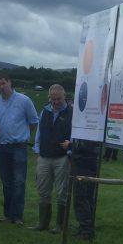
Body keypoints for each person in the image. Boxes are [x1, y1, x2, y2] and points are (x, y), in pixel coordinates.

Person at [0, 74, 38, 225]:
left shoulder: (24, 100)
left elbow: (33, 121)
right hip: (2, 146)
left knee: (18, 181)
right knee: (6, 182)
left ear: (10, 82)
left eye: (3, 83)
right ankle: (7, 214)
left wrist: (23, 134)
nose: (2, 87)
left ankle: (17, 216)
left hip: (19, 147)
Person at [32, 84, 72, 232]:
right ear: (49, 97)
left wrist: (70, 149)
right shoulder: (45, 111)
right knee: (43, 190)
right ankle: (43, 223)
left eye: (59, 99)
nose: (56, 102)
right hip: (44, 156)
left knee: (62, 191)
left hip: (62, 158)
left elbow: (75, 134)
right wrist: (37, 148)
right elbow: (39, 132)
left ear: (64, 96)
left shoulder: (72, 113)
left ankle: (60, 225)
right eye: (53, 99)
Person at [70, 139, 101, 239]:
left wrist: (71, 145)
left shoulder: (88, 130)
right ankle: (86, 228)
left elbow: (86, 146)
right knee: (87, 197)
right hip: (88, 163)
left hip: (84, 164)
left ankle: (86, 230)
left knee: (81, 197)